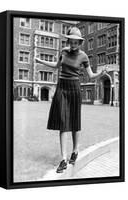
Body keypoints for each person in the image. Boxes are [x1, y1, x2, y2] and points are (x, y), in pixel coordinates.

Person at [35, 27, 107, 173]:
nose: (73, 44)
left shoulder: (84, 56)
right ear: (68, 40)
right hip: (62, 87)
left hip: (74, 88)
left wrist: (100, 74)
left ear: (79, 42)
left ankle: (75, 150)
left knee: (74, 122)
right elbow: (56, 66)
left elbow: (91, 75)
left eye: (76, 42)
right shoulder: (63, 52)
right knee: (63, 123)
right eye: (71, 41)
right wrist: (40, 60)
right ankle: (63, 159)